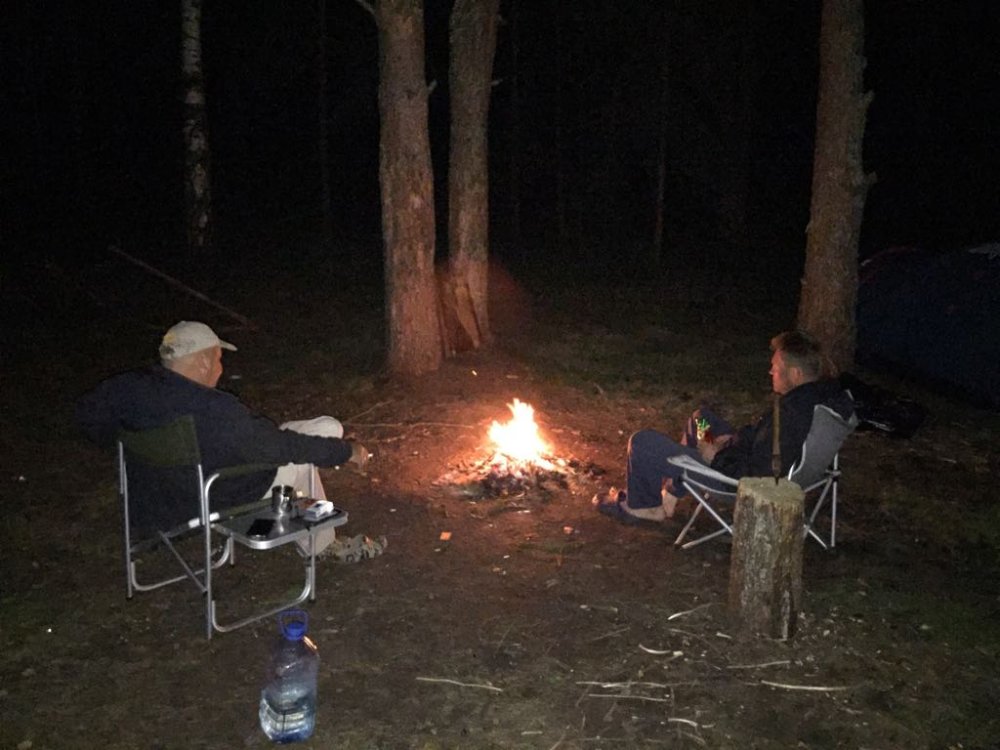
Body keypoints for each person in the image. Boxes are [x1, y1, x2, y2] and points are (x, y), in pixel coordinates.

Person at [76, 320, 370, 549]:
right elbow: (279, 448)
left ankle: (312, 535)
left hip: (159, 506)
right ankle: (320, 545)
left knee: (314, 433)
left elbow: (88, 418)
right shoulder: (211, 408)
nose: (219, 368)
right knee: (313, 441)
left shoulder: (126, 389)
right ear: (204, 361)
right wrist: (345, 452)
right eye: (218, 359)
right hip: (222, 500)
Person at [595, 330, 855, 527]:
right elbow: (764, 445)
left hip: (732, 480)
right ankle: (671, 495)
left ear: (796, 374)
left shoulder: (790, 415)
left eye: (776, 368)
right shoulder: (815, 398)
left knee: (642, 442)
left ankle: (644, 507)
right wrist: (732, 441)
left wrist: (715, 456)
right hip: (738, 457)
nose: (770, 372)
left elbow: (760, 474)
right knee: (701, 419)